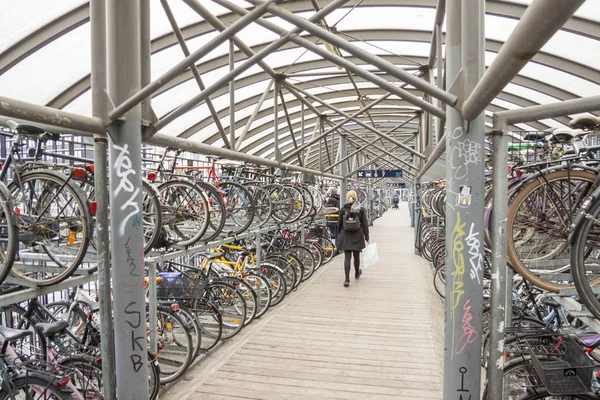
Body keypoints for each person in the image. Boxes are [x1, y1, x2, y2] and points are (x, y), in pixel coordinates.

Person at [337, 190, 369, 287]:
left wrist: (340, 234)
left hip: (346, 235)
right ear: (356, 197)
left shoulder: (343, 209)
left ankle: (347, 279)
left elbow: (339, 224)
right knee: (356, 256)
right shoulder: (361, 209)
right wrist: (367, 237)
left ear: (347, 197)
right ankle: (357, 273)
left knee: (347, 257)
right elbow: (365, 224)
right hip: (357, 235)